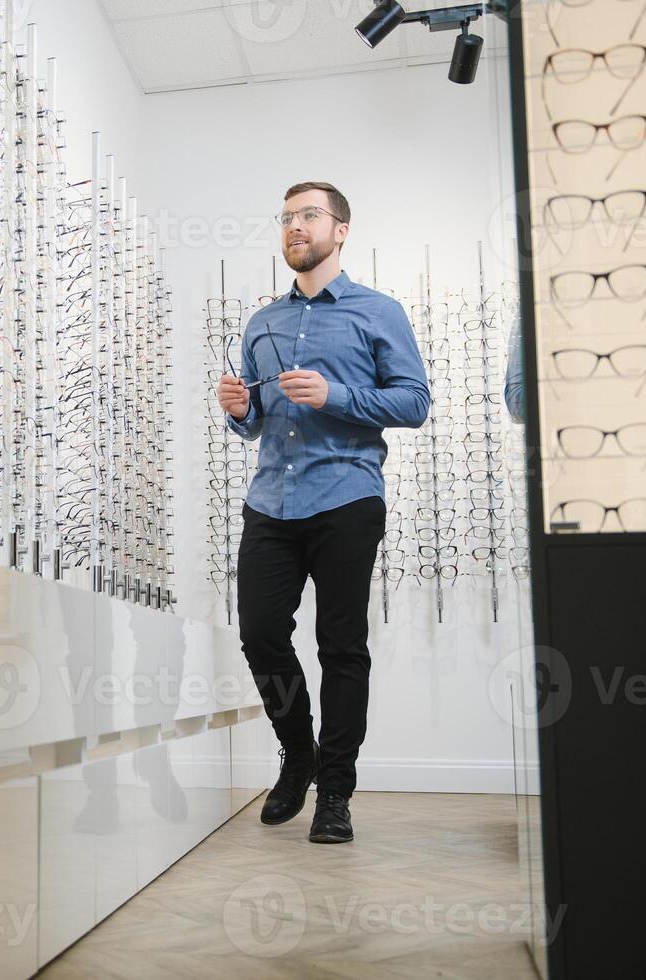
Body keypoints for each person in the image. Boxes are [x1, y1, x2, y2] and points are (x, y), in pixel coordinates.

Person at [215, 181, 430, 844]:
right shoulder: (261, 324)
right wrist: (239, 411)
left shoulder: (377, 311)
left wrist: (333, 393)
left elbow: (413, 403)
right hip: (269, 502)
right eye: (285, 219)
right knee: (259, 636)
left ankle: (334, 790)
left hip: (345, 497)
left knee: (341, 647)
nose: (293, 228)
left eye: (308, 216)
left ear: (340, 230)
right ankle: (297, 755)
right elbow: (255, 425)